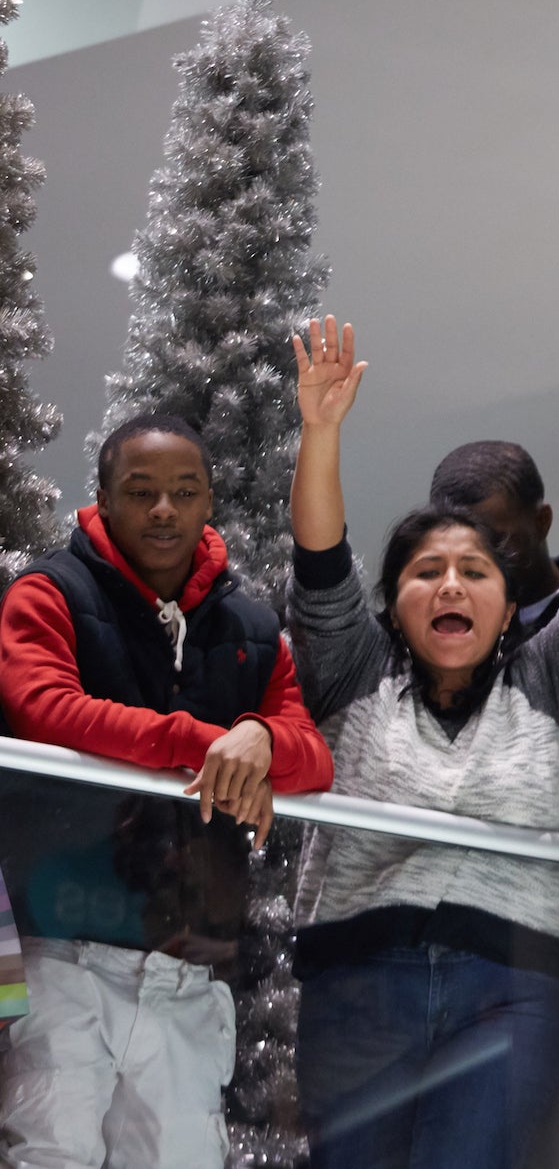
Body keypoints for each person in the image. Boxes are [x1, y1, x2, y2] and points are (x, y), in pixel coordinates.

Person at [284, 316, 559, 1169]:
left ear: (508, 605)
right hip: (360, 992)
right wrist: (321, 432)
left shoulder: (549, 683)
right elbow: (320, 562)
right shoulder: (354, 676)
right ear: (395, 600)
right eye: (426, 571)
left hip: (507, 994)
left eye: (475, 572)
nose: (451, 584)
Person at [0, 412, 333, 1168]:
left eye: (184, 491)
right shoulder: (48, 591)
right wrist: (204, 742)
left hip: (188, 960)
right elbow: (43, 709)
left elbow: (312, 756)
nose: (163, 509)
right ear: (105, 497)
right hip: (57, 947)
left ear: (208, 499)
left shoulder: (248, 623)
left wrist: (264, 738)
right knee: (50, 1153)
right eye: (141, 490)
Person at [429, 441, 559, 639]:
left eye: (494, 541)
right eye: (456, 547)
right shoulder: (434, 635)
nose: (478, 561)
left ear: (542, 522)